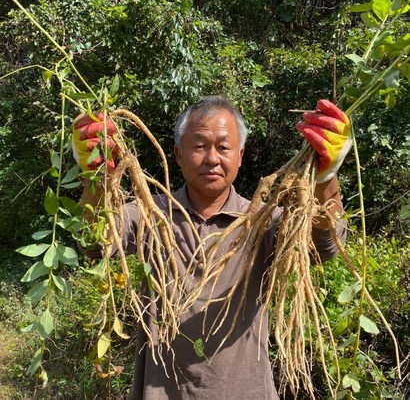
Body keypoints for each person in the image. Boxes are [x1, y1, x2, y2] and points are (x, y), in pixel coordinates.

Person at [72, 95, 350, 399]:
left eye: (223, 147)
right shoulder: (149, 214)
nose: (212, 158)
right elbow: (93, 242)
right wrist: (96, 177)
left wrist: (326, 178)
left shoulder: (265, 221)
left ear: (240, 155)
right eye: (200, 146)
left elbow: (325, 246)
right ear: (178, 154)